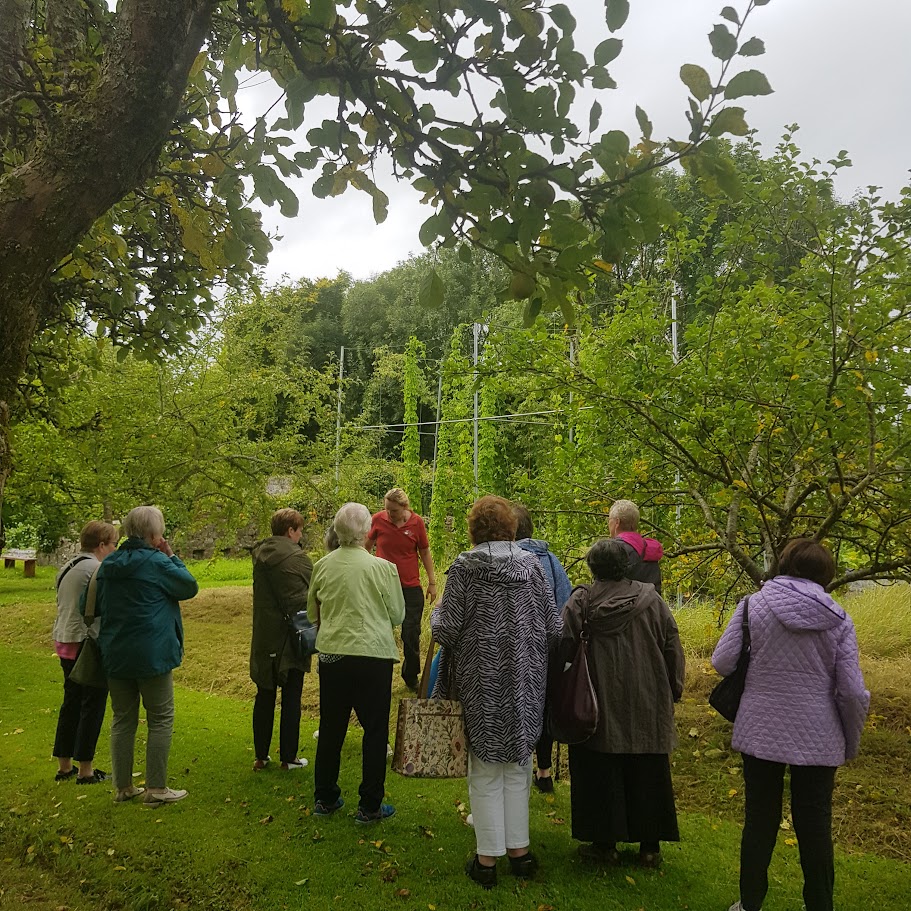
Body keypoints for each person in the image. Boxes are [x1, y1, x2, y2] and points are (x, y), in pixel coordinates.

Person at [713, 539, 869, 911]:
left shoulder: (753, 605)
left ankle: (749, 903)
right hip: (819, 734)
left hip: (760, 729)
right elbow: (851, 692)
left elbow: (722, 661)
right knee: (815, 823)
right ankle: (820, 905)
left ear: (784, 565)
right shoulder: (840, 619)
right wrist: (851, 739)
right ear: (826, 574)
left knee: (760, 818)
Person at [431, 495, 560, 888]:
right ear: (511, 529)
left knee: (484, 767)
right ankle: (520, 854)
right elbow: (554, 627)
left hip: (480, 680)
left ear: (474, 529)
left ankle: (487, 861)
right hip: (525, 677)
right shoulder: (533, 567)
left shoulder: (464, 569)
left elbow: (446, 630)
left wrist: (436, 612)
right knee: (519, 764)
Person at [562, 537, 684, 868]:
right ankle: (649, 848)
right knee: (648, 769)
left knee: (600, 768)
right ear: (627, 565)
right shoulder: (652, 599)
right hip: (648, 694)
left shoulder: (581, 601)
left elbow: (562, 644)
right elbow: (672, 643)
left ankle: (605, 846)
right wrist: (674, 687)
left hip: (598, 697)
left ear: (592, 567)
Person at [308, 503, 405, 823]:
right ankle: (370, 805)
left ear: (336, 531)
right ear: (367, 532)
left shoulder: (322, 566)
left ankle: (325, 797)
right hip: (373, 654)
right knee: (375, 731)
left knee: (332, 727)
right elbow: (397, 615)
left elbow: (312, 614)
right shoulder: (383, 568)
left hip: (334, 654)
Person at [94, 506, 199, 805]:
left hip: (116, 651)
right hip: (152, 652)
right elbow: (189, 586)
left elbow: (89, 606)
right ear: (154, 535)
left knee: (123, 718)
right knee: (161, 717)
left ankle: (123, 787)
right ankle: (156, 788)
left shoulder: (110, 563)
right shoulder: (156, 562)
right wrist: (171, 555)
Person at [52, 520, 118, 784]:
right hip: (86, 643)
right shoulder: (97, 569)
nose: (114, 549)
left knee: (71, 703)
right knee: (92, 703)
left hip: (64, 640)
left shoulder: (67, 566)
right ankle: (86, 769)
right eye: (113, 544)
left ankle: (64, 765)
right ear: (102, 545)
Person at [512, 502, 571, 794]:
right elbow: (566, 604)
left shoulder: (512, 560)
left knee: (519, 706)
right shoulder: (551, 560)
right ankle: (544, 771)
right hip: (549, 647)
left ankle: (516, 767)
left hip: (518, 649)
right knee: (545, 706)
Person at [250, 508, 313, 772]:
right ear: (291, 531)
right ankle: (289, 757)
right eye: (299, 531)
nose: (300, 536)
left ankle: (261, 756)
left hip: (264, 634)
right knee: (291, 695)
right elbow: (315, 589)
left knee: (264, 693)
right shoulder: (299, 559)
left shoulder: (259, 554)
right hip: (291, 635)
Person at [368, 488, 437, 690]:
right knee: (379, 631)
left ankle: (410, 676)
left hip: (409, 586)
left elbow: (424, 551)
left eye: (394, 511)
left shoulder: (416, 523)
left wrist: (432, 582)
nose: (390, 514)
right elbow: (366, 546)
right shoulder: (378, 520)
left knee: (411, 632)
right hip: (382, 585)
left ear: (405, 507)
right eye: (387, 509)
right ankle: (379, 674)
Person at [608, 499, 664, 595]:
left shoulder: (611, 550)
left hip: (620, 608)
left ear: (617, 522)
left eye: (609, 520)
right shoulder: (650, 549)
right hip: (651, 608)